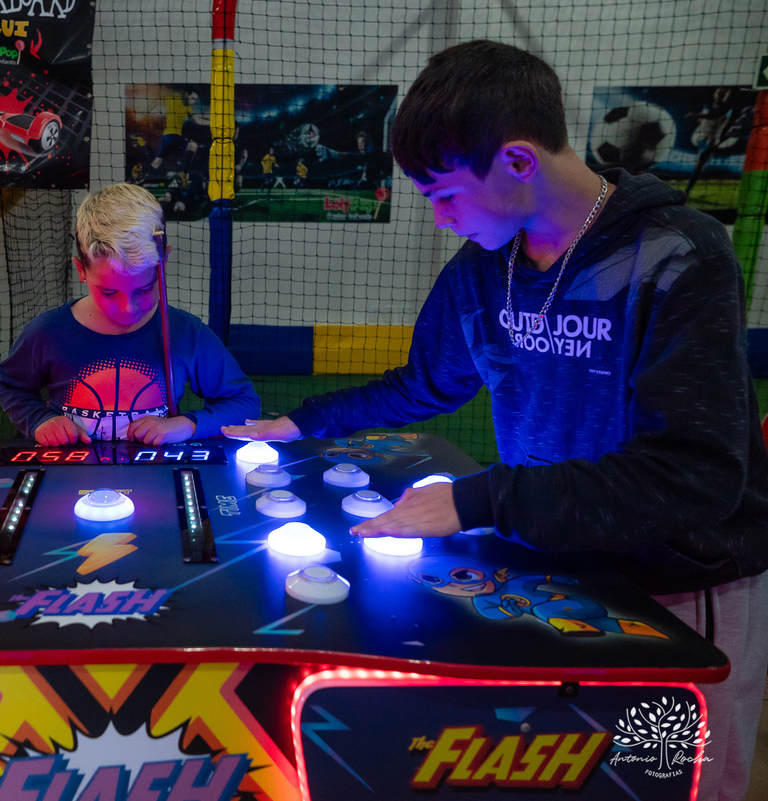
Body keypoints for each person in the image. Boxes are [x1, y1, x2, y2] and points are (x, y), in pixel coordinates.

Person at [224, 40, 768, 801]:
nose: (443, 219)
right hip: (559, 569)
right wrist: (301, 421)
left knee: (670, 782)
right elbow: (423, 383)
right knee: (574, 777)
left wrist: (477, 499)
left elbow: (695, 475)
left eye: (445, 193)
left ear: (516, 161)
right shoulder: (484, 267)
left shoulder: (677, 254)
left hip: (679, 590)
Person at [0, 183, 259, 446]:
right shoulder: (47, 332)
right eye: (110, 293)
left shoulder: (186, 332)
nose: (128, 308)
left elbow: (244, 402)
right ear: (81, 270)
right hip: (70, 473)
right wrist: (39, 420)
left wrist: (187, 424)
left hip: (156, 474)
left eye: (145, 288)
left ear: (163, 264)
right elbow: (11, 386)